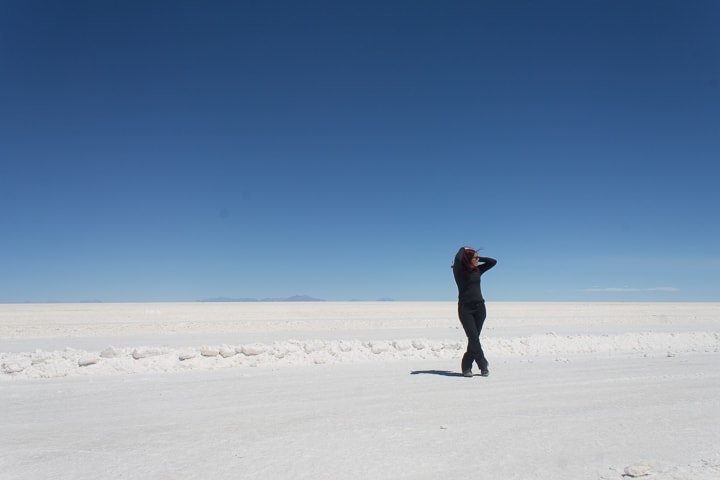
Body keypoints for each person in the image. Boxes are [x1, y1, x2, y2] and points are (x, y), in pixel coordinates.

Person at [452, 247, 497, 377]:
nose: (478, 260)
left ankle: (466, 366)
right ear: (467, 259)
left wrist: (478, 258)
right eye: (475, 258)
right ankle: (482, 364)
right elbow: (458, 258)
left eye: (478, 258)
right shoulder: (459, 272)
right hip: (465, 309)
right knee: (473, 337)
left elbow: (493, 262)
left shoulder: (478, 270)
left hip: (480, 308)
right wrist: (463, 249)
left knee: (474, 339)